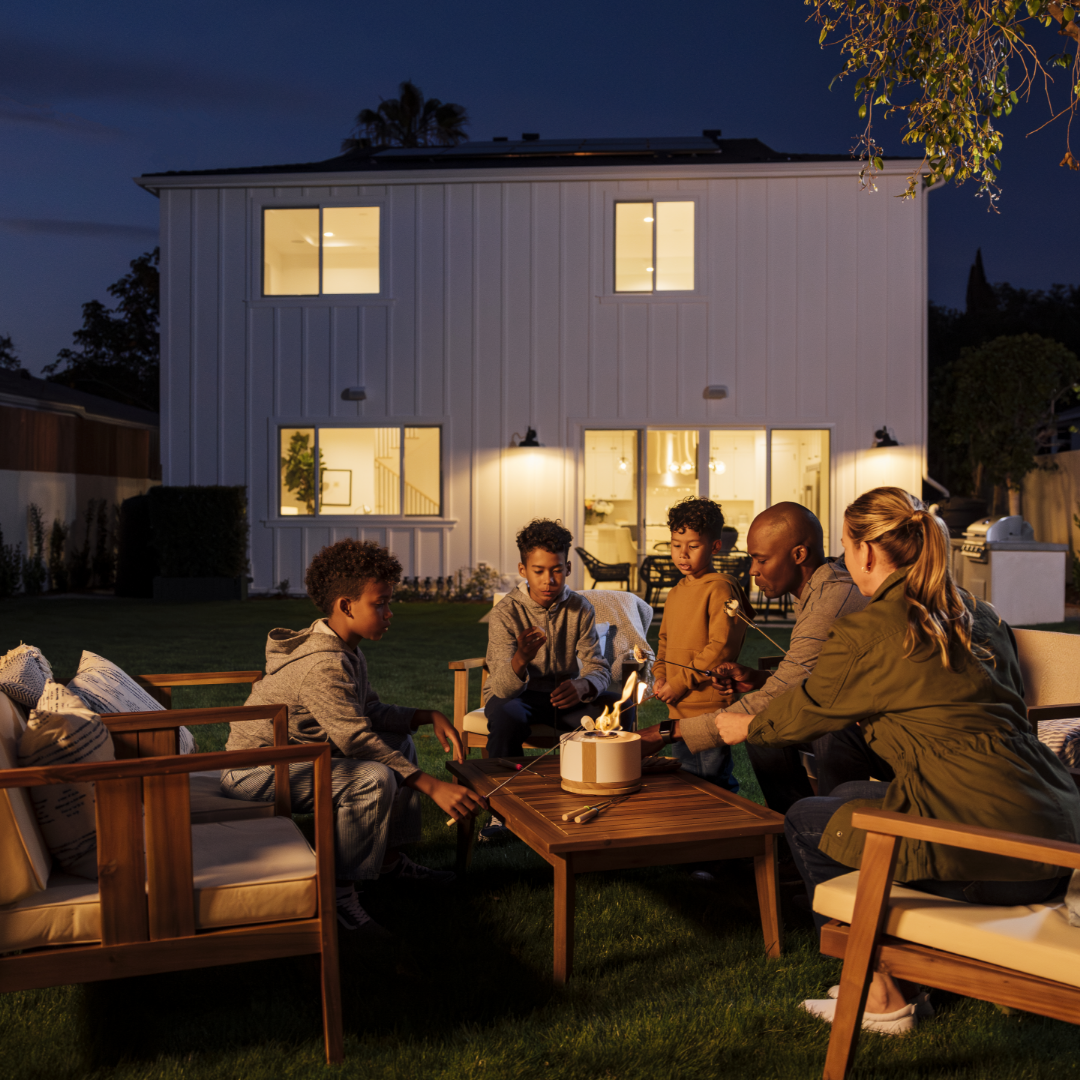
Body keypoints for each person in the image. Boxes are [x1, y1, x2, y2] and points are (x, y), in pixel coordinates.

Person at [714, 487, 1080, 1033]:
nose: (843, 560)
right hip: (1056, 822)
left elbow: (807, 710)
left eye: (843, 548)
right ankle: (900, 979)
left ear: (865, 552)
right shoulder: (977, 614)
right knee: (841, 801)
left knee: (807, 822)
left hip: (995, 850)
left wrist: (740, 724)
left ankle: (882, 994)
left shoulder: (869, 629)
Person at [221, 538, 486, 935]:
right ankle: (340, 894)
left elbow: (370, 712)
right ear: (346, 606)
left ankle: (388, 861)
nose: (389, 613)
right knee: (371, 777)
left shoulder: (346, 650)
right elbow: (356, 740)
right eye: (380, 603)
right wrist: (431, 785)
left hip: (296, 758)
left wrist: (425, 715)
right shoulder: (324, 663)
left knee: (400, 745)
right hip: (255, 769)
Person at [637, 502, 868, 811]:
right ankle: (791, 828)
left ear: (798, 555)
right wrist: (761, 678)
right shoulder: (816, 592)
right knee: (766, 730)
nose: (753, 571)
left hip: (868, 734)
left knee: (793, 724)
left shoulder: (832, 599)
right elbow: (815, 679)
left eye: (761, 560)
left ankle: (828, 831)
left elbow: (781, 696)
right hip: (851, 716)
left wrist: (665, 732)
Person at [481, 518, 611, 839]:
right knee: (504, 714)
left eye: (556, 570)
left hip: (560, 696)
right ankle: (501, 813)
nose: (548, 580)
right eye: (538, 571)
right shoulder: (506, 613)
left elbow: (599, 667)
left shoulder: (581, 608)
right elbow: (500, 687)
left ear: (567, 568)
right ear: (523, 570)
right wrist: (521, 658)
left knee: (604, 713)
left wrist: (585, 685)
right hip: (516, 696)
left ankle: (598, 798)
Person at [650, 496, 751, 792]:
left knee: (711, 783)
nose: (683, 554)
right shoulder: (676, 592)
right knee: (685, 780)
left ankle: (728, 832)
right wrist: (660, 674)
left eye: (693, 546)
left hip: (708, 710)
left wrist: (680, 682)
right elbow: (665, 640)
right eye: (675, 545)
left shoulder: (720, 587)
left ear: (715, 547)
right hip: (678, 708)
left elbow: (721, 646)